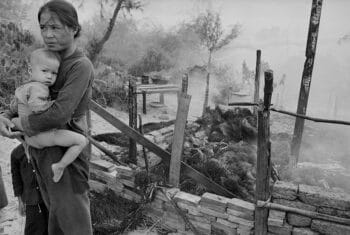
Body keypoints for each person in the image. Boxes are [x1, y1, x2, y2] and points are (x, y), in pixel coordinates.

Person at [0, 0, 94, 234]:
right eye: (44, 27)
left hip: (66, 153)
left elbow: (59, 114)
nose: (48, 34)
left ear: (73, 28)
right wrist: (5, 115)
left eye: (55, 27)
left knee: (73, 221)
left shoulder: (79, 66)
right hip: (41, 152)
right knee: (54, 217)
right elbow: (29, 92)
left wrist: (22, 123)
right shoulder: (47, 59)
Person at [11, 48, 88, 183]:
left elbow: (13, 107)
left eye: (54, 73)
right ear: (30, 70)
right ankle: (60, 166)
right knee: (81, 141)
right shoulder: (39, 87)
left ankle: (28, 151)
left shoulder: (22, 88)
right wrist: (54, 103)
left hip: (29, 138)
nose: (49, 76)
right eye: (44, 71)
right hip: (41, 136)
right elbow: (37, 108)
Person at [11, 145, 49, 235]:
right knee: (33, 229)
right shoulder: (16, 153)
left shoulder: (43, 147)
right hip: (31, 200)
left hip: (48, 198)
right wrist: (20, 201)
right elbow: (16, 179)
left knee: (51, 228)